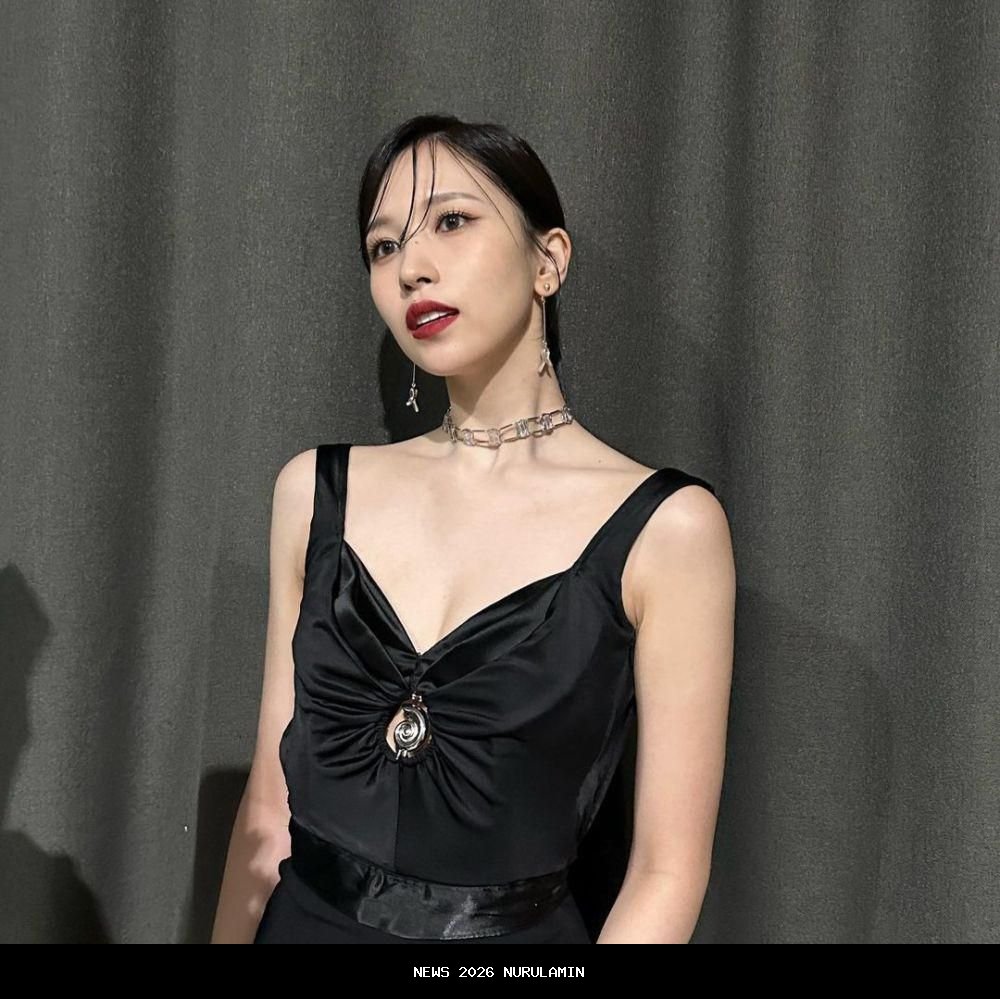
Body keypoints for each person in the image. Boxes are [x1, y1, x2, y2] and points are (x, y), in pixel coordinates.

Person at [211, 114, 736, 944]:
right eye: (384, 246)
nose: (412, 267)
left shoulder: (667, 530)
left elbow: (666, 870)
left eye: (452, 221)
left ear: (548, 260)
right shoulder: (314, 492)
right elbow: (270, 808)